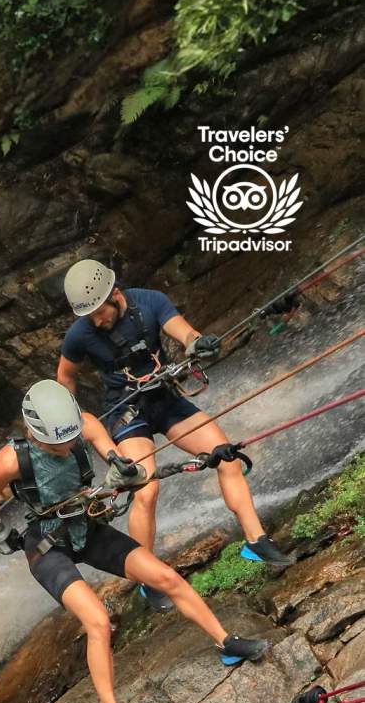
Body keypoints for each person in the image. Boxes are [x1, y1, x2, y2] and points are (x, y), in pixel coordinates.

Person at [0, 379, 269, 703]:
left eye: (70, 438)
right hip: (47, 546)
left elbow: (117, 459)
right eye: (59, 443)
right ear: (36, 436)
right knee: (98, 620)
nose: (69, 446)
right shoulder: (12, 459)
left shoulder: (85, 424)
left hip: (88, 526)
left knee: (165, 576)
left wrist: (123, 471)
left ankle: (226, 642)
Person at [55, 259, 293, 612]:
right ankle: (147, 581)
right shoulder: (80, 335)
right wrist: (69, 417)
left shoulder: (149, 301)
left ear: (114, 294)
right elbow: (65, 377)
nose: (96, 321)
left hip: (165, 399)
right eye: (88, 316)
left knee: (225, 454)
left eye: (99, 312)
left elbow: (184, 332)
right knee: (146, 489)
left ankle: (256, 540)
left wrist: (197, 344)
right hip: (126, 411)